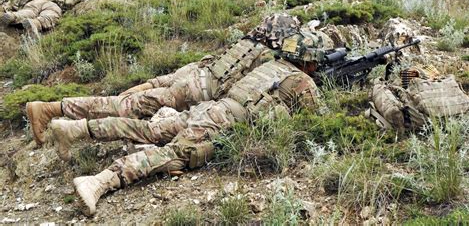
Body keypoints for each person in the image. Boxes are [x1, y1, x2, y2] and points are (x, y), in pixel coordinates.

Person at [50, 58, 321, 216]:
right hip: (223, 123)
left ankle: (77, 129)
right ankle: (99, 181)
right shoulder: (301, 81)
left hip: (211, 110)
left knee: (150, 130)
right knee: (174, 155)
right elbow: (317, 120)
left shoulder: (270, 64)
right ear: (309, 63)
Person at [25, 13, 306, 145]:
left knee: (125, 103)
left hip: (190, 81)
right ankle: (51, 111)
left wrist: (158, 81)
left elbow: (206, 64)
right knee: (123, 107)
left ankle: (56, 112)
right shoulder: (268, 58)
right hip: (194, 95)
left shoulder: (245, 44)